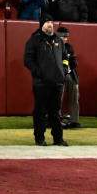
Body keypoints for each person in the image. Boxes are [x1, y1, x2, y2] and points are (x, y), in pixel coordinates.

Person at [22, 16, 68, 147]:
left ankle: (58, 139)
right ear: (42, 24)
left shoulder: (58, 40)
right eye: (48, 22)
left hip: (57, 82)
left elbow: (65, 57)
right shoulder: (34, 40)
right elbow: (28, 60)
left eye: (52, 22)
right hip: (41, 83)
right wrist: (39, 72)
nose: (50, 25)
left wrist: (64, 69)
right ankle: (40, 138)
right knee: (40, 112)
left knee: (55, 112)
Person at [56, 26, 81, 129]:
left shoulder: (69, 47)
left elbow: (74, 61)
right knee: (58, 99)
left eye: (66, 37)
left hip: (70, 75)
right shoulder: (53, 46)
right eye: (63, 37)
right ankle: (56, 120)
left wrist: (72, 61)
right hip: (58, 75)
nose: (65, 39)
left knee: (75, 97)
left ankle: (74, 121)